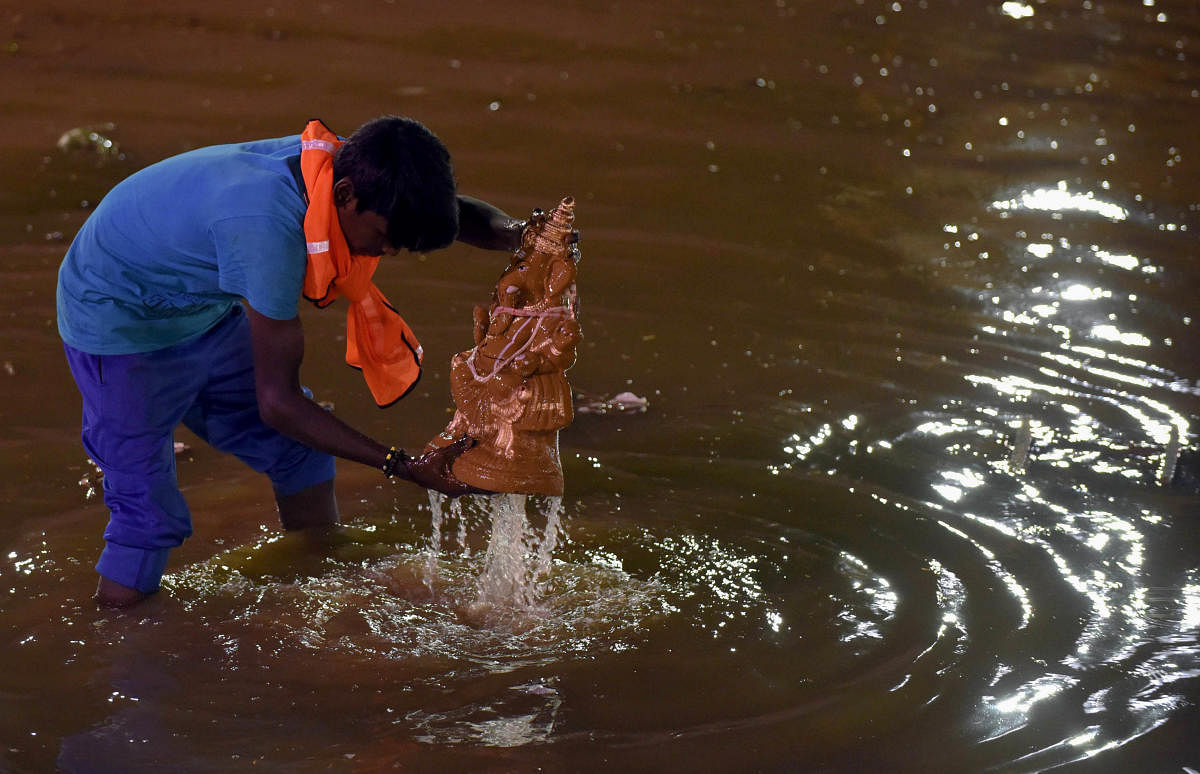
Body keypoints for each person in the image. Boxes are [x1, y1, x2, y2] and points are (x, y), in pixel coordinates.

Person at [56, 116, 526, 608]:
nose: (387, 252)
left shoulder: (365, 169)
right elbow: (277, 403)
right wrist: (403, 465)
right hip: (119, 325)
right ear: (344, 196)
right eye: (386, 237)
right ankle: (117, 644)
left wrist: (525, 237)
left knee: (300, 453)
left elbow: (445, 215)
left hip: (193, 306)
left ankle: (319, 573)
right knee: (147, 519)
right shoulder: (268, 234)